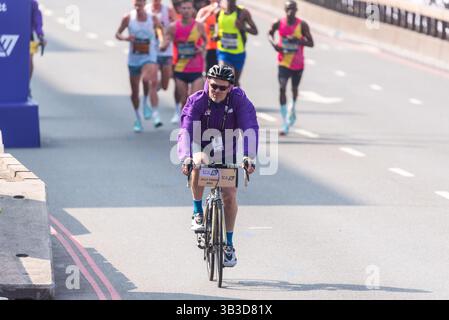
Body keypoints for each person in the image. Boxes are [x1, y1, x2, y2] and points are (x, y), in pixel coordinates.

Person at [178, 65, 259, 267]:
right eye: (213, 86)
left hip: (227, 148)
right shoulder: (197, 100)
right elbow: (186, 130)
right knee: (198, 164)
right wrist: (187, 156)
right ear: (208, 82)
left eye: (222, 88)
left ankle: (228, 245)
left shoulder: (239, 100)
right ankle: (198, 211)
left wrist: (249, 156)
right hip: (200, 143)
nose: (216, 91)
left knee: (229, 195)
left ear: (230, 87)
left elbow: (250, 127)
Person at [116, 0, 166, 132]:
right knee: (134, 92)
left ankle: (146, 105)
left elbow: (160, 30)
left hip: (149, 56)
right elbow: (117, 34)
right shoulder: (128, 18)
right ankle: (138, 118)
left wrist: (161, 41)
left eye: (140, 4)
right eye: (136, 4)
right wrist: (126, 38)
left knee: (147, 79)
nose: (138, 7)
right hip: (134, 59)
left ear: (145, 3)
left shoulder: (152, 18)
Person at [268, 0, 314, 135]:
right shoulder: (279, 23)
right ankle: (285, 122)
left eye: (293, 9)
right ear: (284, 9)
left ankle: (292, 107)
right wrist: (274, 44)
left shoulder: (302, 25)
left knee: (294, 89)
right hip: (283, 62)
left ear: (296, 10)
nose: (291, 11)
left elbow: (311, 43)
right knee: (282, 88)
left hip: (298, 64)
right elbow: (269, 33)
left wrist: (299, 41)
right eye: (288, 9)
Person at [163, 0, 207, 113]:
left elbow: (205, 42)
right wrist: (164, 45)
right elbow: (164, 43)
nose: (186, 11)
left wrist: (201, 48)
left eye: (189, 8)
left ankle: (193, 127)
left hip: (196, 69)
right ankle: (184, 127)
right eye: (184, 8)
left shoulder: (199, 26)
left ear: (193, 10)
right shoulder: (173, 27)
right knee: (185, 101)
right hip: (180, 69)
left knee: (195, 101)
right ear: (179, 10)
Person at [144, 0, 177, 123]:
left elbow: (176, 27)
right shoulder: (146, 10)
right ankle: (155, 114)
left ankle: (151, 93)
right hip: (152, 52)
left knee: (164, 85)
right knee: (153, 82)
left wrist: (167, 38)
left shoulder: (167, 10)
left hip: (166, 52)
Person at [215, 0, 258, 87]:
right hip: (224, 52)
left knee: (235, 81)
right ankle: (225, 99)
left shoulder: (243, 13)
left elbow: (255, 31)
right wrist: (216, 34)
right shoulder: (219, 13)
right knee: (226, 77)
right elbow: (217, 25)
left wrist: (243, 27)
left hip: (239, 53)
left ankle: (237, 99)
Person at [196, 0, 220, 72]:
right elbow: (196, 23)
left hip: (224, 48)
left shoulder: (226, 11)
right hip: (209, 47)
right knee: (210, 73)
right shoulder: (204, 10)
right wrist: (209, 14)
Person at [30, 0, 47, 98]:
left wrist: (40, 35)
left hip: (27, 36)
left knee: (29, 61)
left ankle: (26, 86)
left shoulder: (31, 3)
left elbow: (37, 19)